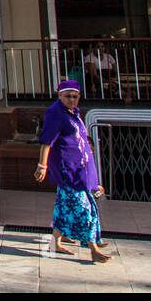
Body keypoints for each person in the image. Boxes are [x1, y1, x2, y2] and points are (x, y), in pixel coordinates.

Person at [35, 79, 111, 263]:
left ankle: (56, 241)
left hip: (80, 170)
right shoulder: (56, 113)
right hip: (67, 171)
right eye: (68, 96)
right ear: (59, 95)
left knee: (63, 206)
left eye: (75, 96)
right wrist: (42, 165)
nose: (72, 100)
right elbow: (47, 141)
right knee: (84, 208)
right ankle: (92, 247)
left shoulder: (72, 113)